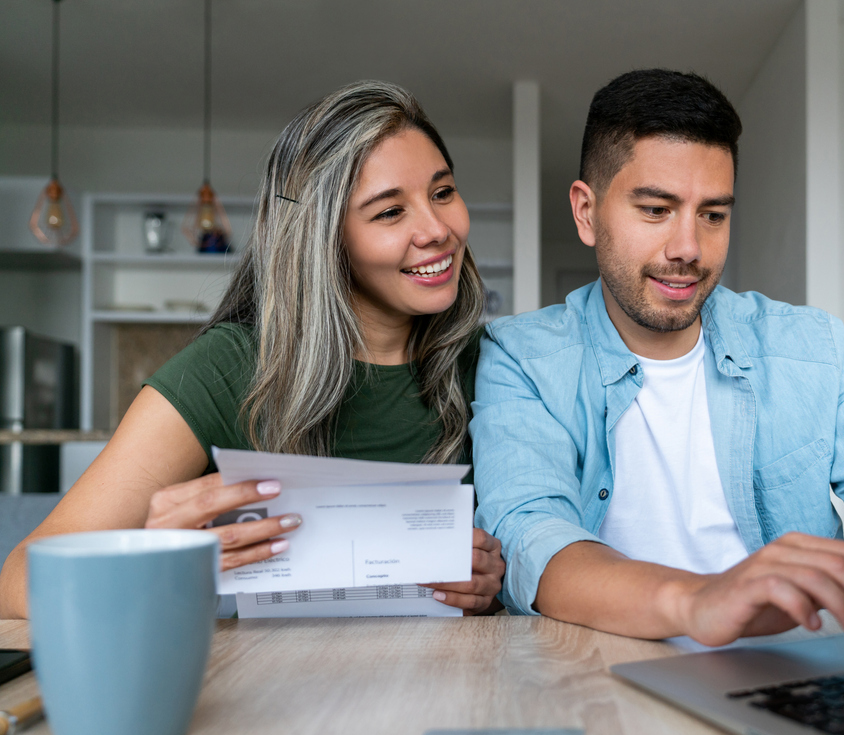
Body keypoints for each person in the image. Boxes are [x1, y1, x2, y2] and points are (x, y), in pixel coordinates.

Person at [0, 81, 504, 619]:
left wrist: (498, 581)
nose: (438, 229)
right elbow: (15, 586)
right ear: (321, 240)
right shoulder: (225, 371)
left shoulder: (497, 365)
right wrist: (152, 562)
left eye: (443, 192)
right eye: (388, 212)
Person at [470, 69, 844, 646]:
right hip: (610, 673)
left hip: (794, 672)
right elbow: (532, 538)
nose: (688, 249)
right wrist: (698, 599)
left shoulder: (812, 349)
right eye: (656, 210)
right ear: (586, 212)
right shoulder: (521, 357)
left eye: (713, 215)